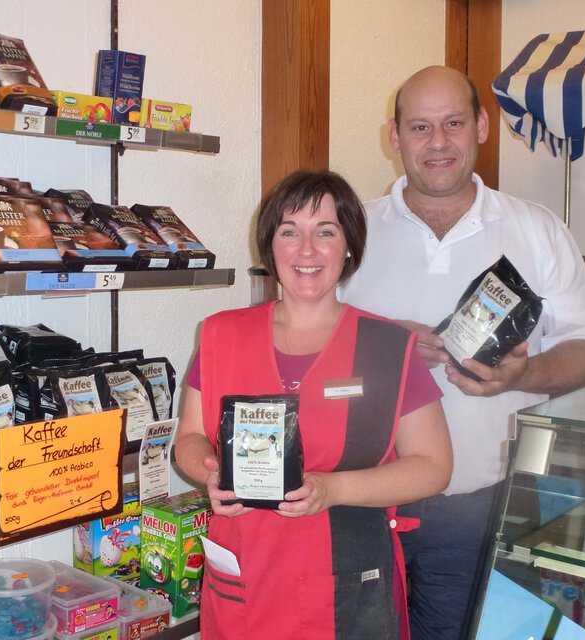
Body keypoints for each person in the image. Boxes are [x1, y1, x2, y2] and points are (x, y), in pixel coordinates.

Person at [338, 65, 585, 640]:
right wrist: (381, 344)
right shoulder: (349, 229)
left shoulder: (537, 229)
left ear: (482, 126)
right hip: (358, 505)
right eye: (420, 127)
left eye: (453, 123)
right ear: (394, 136)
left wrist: (524, 372)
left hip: (484, 506)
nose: (437, 142)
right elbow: (299, 342)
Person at [174, 169, 453, 639]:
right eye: (290, 232)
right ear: (270, 247)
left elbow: (434, 466)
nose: (306, 251)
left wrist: (332, 489)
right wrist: (209, 473)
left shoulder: (388, 346)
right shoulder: (220, 333)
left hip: (349, 581)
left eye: (325, 232)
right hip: (246, 576)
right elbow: (189, 438)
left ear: (348, 247)